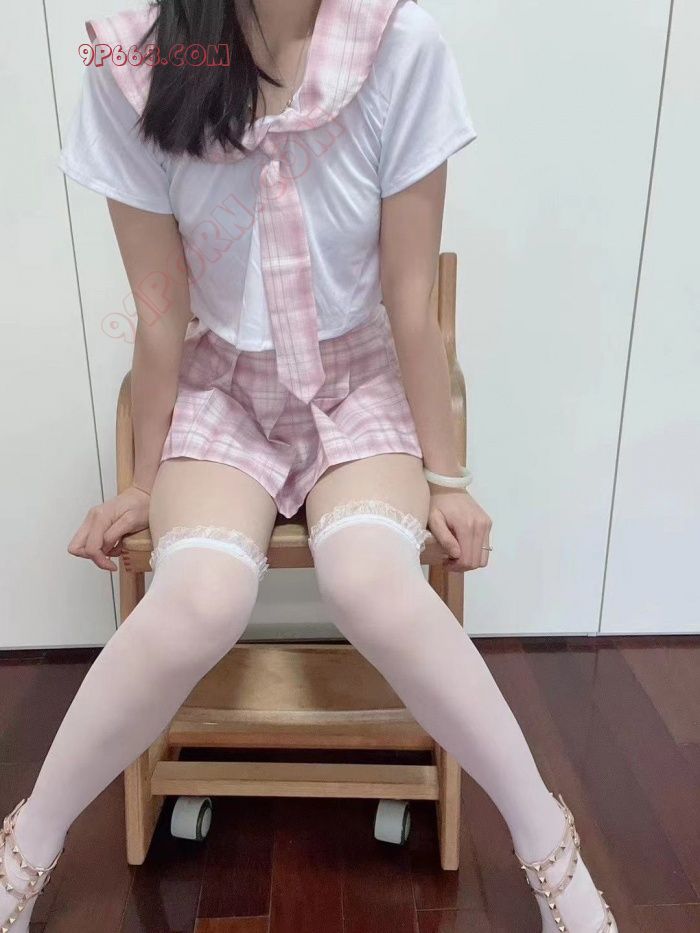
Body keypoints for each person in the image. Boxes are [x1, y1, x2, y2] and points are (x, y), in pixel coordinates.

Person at [1, 2, 616, 930]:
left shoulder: (398, 44)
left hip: (357, 378)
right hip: (222, 386)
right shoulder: (136, 59)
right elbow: (161, 313)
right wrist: (139, 482)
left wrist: (447, 477)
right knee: (198, 598)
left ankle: (550, 853)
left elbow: (410, 297)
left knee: (371, 581)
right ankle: (25, 849)